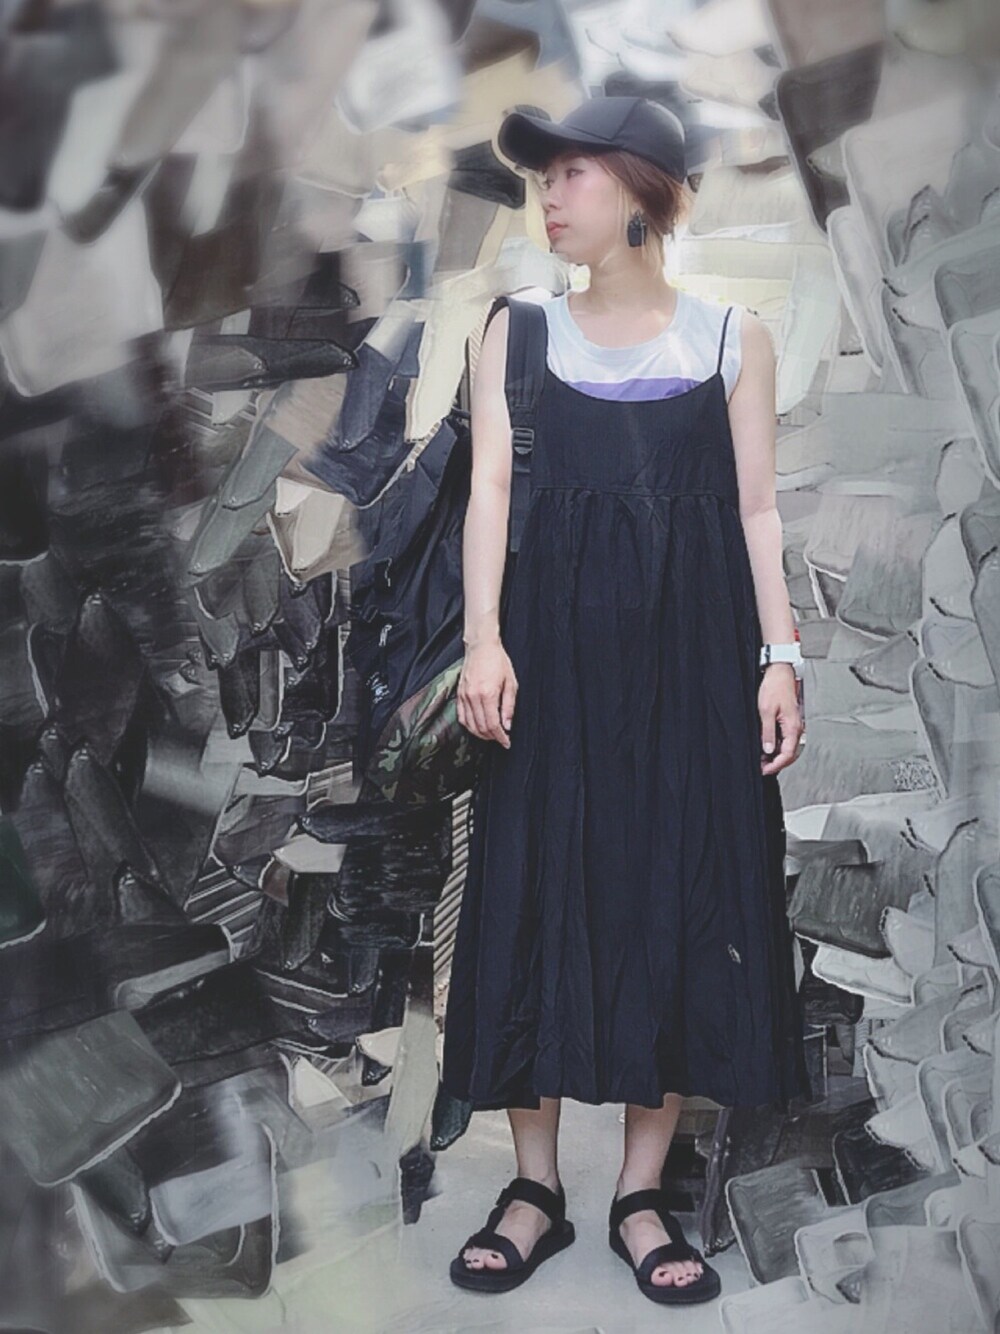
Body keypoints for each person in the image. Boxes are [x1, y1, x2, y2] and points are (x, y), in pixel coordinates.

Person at [440, 96, 810, 1307]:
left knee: (679, 896)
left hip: (693, 660)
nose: (549, 196)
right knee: (531, 893)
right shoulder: (518, 329)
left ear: (645, 191)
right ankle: (534, 1186)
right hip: (545, 660)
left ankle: (638, 1193)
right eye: (543, 177)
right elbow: (489, 492)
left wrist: (780, 655)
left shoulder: (731, 338)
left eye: (574, 174)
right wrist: (483, 641)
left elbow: (756, 507)